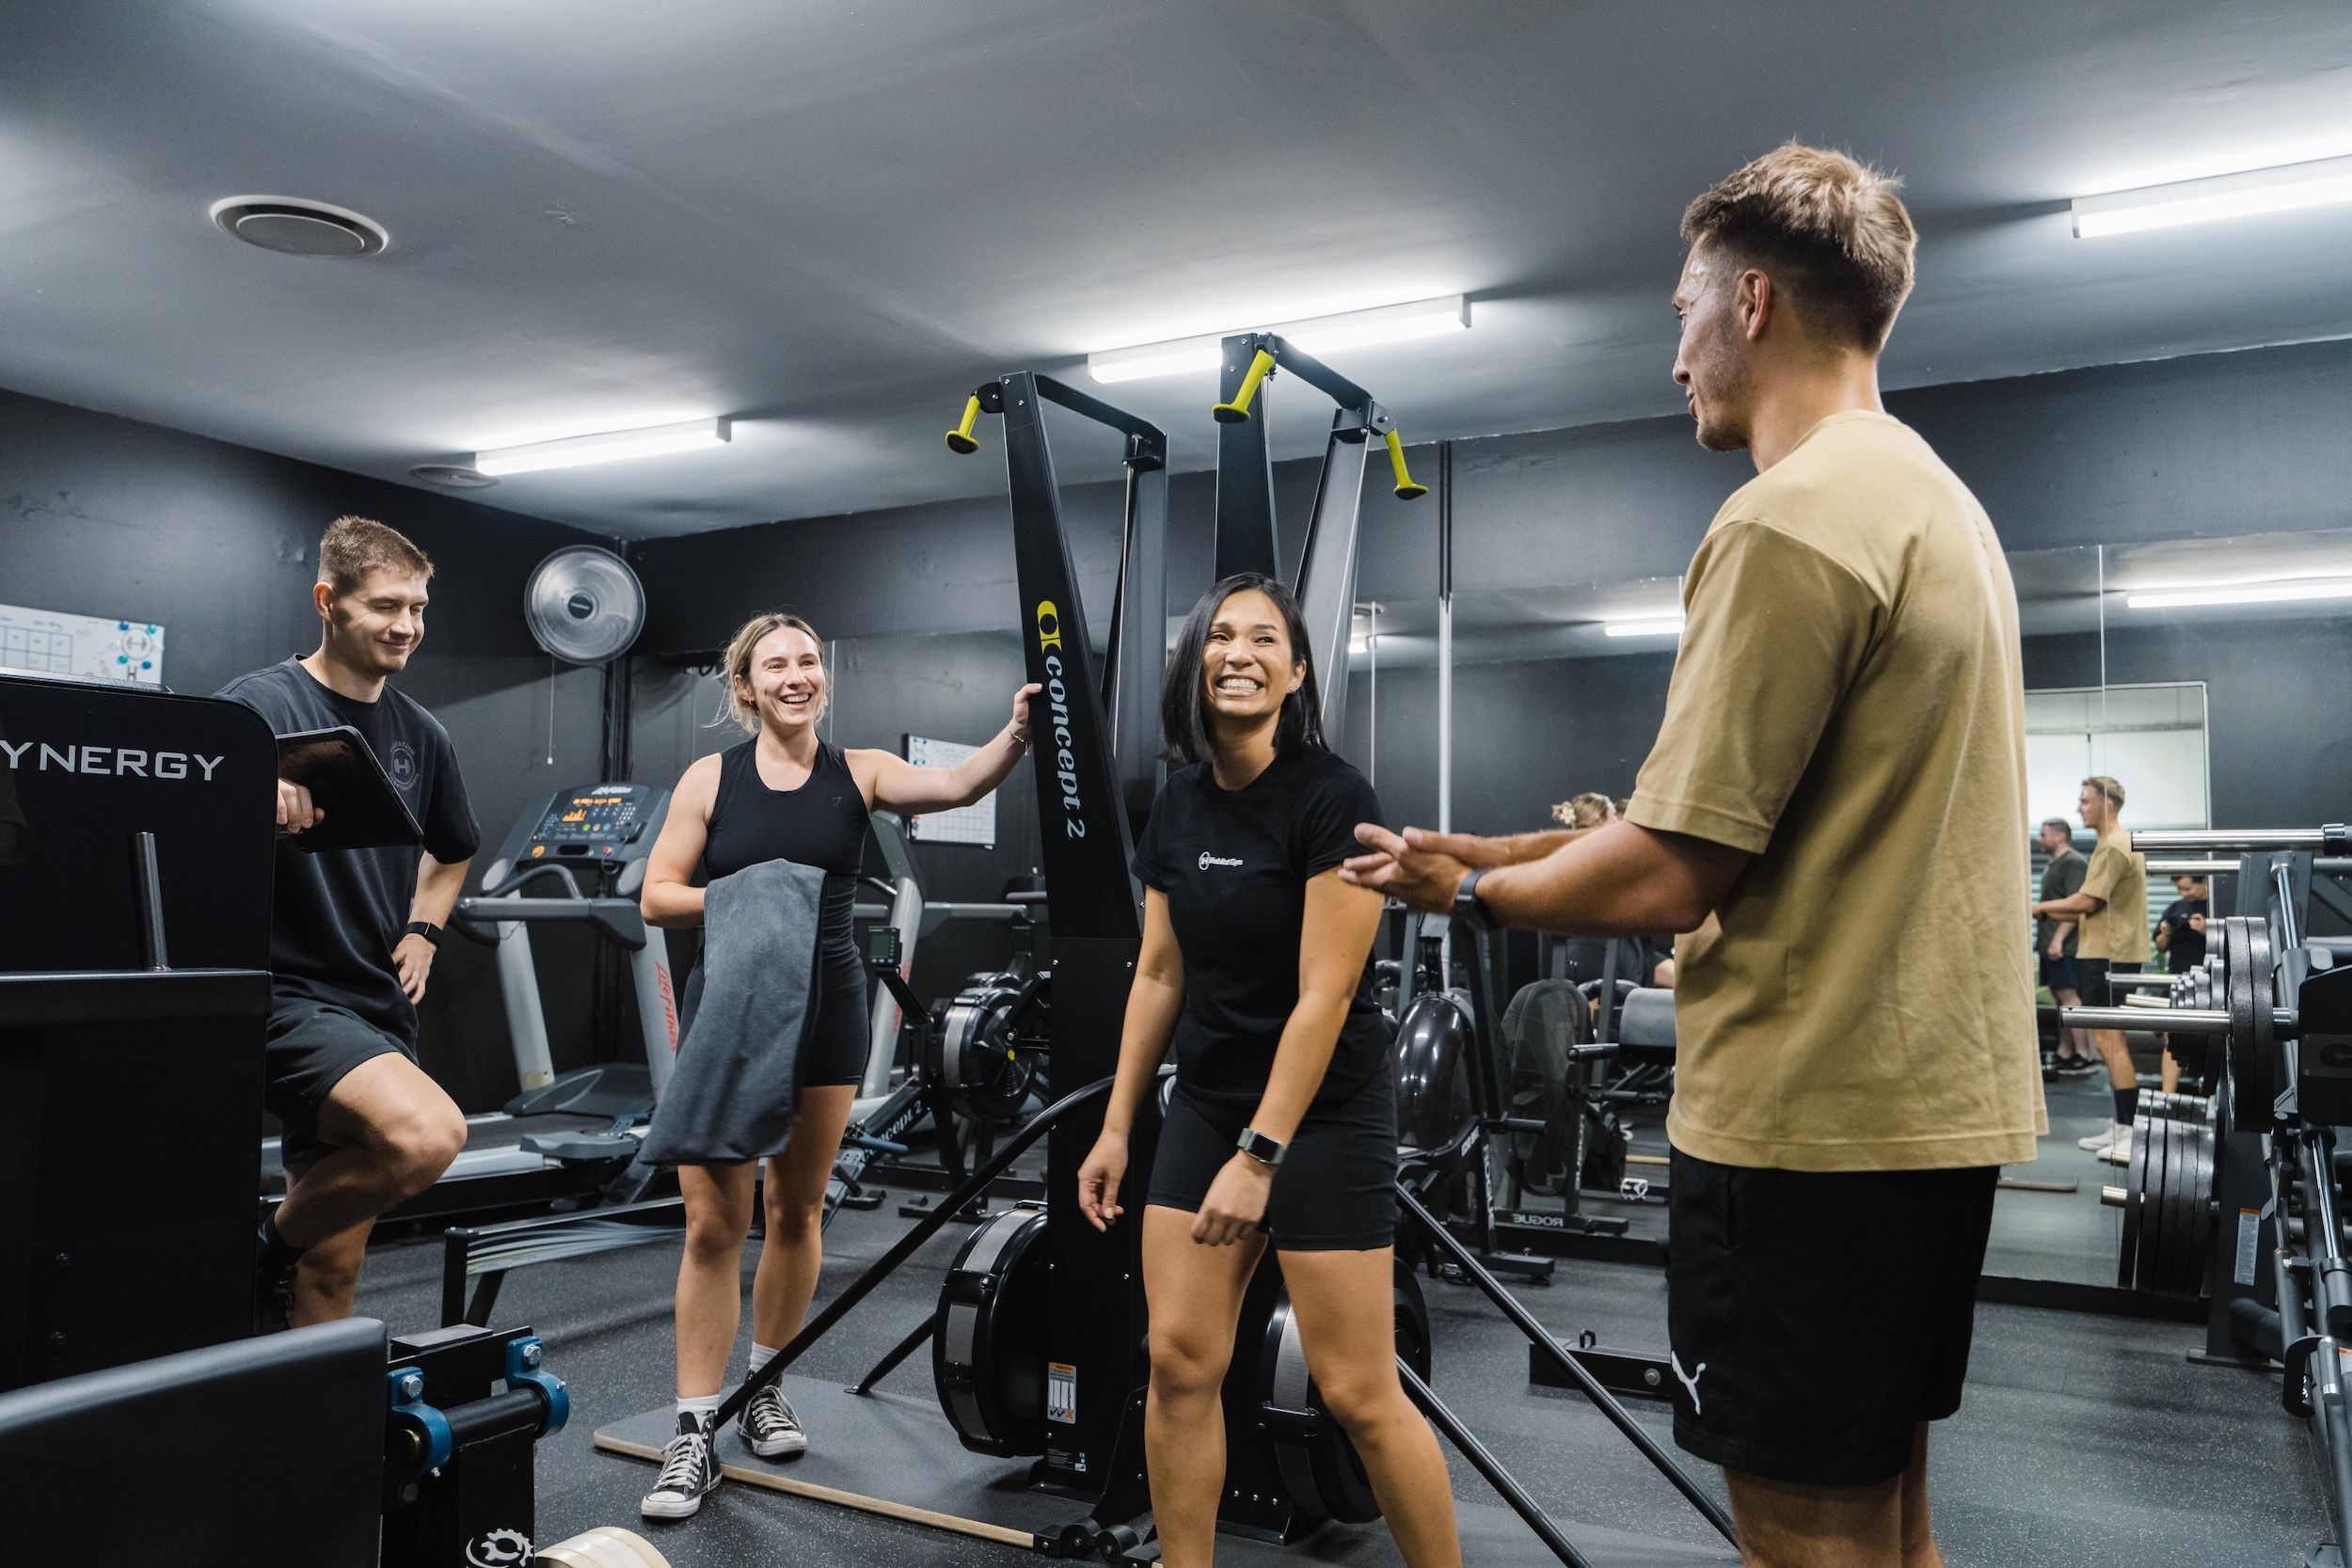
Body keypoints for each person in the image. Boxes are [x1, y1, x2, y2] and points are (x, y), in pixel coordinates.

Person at [1342, 144, 2042, 1568]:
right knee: (1893, 1524)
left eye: (1684, 313)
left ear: (1757, 302)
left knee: (1803, 1538)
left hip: (1805, 1123)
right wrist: (1512, 845)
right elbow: (1748, 821)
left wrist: (1467, 888)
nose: (1676, 356)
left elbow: (1668, 874)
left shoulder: (1784, 518)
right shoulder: (1934, 501)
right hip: (1921, 1116)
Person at [1074, 573, 1462, 1568]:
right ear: (1195, 661)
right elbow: (1159, 972)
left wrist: (1261, 1153)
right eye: (1219, 636)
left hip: (1325, 1112)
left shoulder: (1333, 798)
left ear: (1296, 671)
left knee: (1357, 1388)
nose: (1237, 652)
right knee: (1176, 1361)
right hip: (1208, 1100)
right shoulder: (1178, 804)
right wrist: (1117, 1126)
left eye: (1262, 639)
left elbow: (1324, 996)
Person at [634, 610, 1039, 1521]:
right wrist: (756, 893)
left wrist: (1015, 734)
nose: (795, 674)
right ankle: (692, 1429)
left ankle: (764, 1382)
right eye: (774, 663)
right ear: (744, 686)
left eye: (808, 659)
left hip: (827, 1009)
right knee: (710, 1224)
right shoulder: (712, 777)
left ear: (823, 676)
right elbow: (657, 894)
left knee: (797, 1206)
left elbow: (954, 781)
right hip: (733, 1010)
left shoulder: (856, 772)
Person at [221, 516, 479, 1327]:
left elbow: (453, 850)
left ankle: (302, 1446)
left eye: (418, 607)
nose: (407, 626)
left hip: (375, 1002)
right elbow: (178, 834)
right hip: (286, 994)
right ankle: (263, 1243)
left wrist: (424, 931)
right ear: (328, 601)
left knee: (329, 1268)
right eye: (386, 606)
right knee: (428, 1135)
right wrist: (245, 802)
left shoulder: (421, 733)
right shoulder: (255, 707)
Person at [2029, 775, 2147, 1164]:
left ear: (2107, 803)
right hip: (2101, 951)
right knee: (2104, 1042)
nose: (2079, 807)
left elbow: (2085, 902)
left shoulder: (2114, 845)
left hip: (2109, 954)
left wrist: (2035, 908)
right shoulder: (2107, 845)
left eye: (2085, 800)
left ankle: (2129, 1131)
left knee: (2112, 1043)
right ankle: (2120, 1125)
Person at [2035, 816, 2093, 1076]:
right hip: (2050, 944)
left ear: (2059, 836)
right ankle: (2065, 1052)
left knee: (2069, 996)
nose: (2040, 839)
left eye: (2043, 834)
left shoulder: (2073, 863)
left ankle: (2083, 1054)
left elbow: (2076, 905)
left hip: (2065, 945)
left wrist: (2059, 939)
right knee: (2060, 997)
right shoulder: (2054, 864)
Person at [2152, 872, 2209, 1093]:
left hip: (2208, 981)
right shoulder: (2175, 908)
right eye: (2179, 890)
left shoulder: (2217, 905)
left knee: (2210, 1040)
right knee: (2171, 1037)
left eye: (2187, 888)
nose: (2183, 894)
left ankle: (2210, 1094)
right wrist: (2166, 933)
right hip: (2177, 980)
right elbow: (2159, 945)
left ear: (2203, 881)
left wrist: (2206, 930)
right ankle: (2168, 1096)